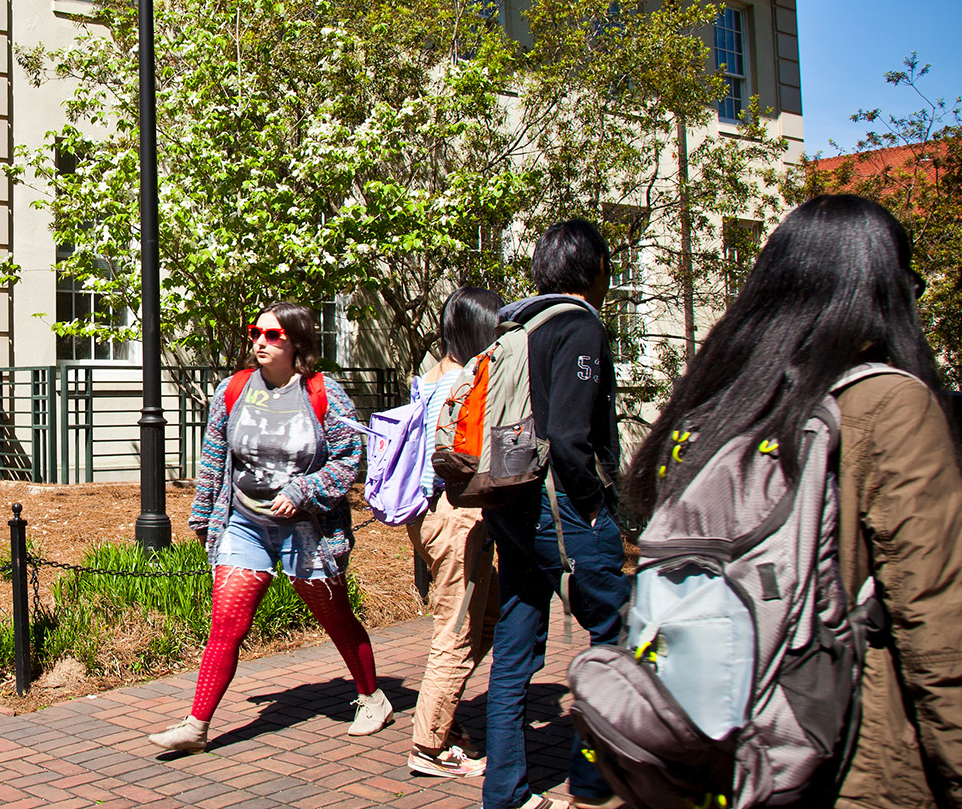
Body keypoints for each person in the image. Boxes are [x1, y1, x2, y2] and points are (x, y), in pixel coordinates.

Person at [621, 195, 962, 809]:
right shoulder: (889, 404)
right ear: (886, 290)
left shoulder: (722, 403)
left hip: (725, 735)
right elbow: (936, 626)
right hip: (846, 745)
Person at [148, 302, 385, 752]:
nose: (260, 341)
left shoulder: (322, 392)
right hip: (244, 523)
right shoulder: (234, 389)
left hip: (307, 530)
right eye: (256, 332)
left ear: (296, 341)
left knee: (335, 618)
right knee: (227, 625)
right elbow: (215, 455)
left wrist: (302, 491)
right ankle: (196, 726)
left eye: (273, 335)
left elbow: (349, 457)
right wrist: (203, 515)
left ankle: (372, 697)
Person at [482, 220, 630, 809]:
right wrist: (595, 509)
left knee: (514, 652)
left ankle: (505, 792)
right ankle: (596, 783)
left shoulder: (518, 325)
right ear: (594, 265)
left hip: (512, 504)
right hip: (562, 508)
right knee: (616, 637)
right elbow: (570, 437)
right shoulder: (579, 325)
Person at [406, 287, 504, 779]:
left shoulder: (428, 379)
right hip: (458, 516)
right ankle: (429, 748)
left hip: (432, 517)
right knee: (458, 630)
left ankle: (444, 714)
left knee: (485, 617)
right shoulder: (468, 383)